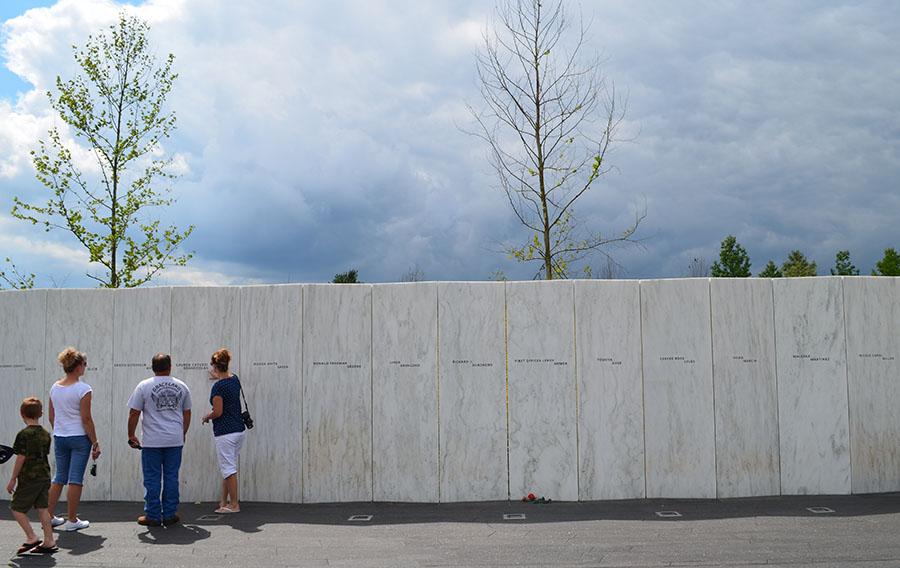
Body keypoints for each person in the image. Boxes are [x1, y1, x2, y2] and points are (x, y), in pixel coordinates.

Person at [127, 353, 191, 527]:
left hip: (151, 440)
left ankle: (153, 515)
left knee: (152, 478)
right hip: (174, 439)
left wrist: (131, 435)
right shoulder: (182, 386)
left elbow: (134, 412)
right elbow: (187, 413)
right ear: (170, 366)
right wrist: (182, 432)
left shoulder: (143, 386)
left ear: (152, 367)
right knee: (171, 477)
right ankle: (170, 514)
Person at [47, 347, 100, 531]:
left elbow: (51, 417)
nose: (85, 367)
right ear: (78, 367)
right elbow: (86, 419)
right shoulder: (84, 389)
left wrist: (60, 430)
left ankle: (49, 517)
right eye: (84, 364)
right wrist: (95, 441)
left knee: (59, 477)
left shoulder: (55, 387)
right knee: (75, 479)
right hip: (79, 438)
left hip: (60, 436)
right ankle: (71, 520)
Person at [6, 397, 58, 554]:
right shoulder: (46, 434)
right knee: (43, 508)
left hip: (29, 477)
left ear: (22, 413)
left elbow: (21, 457)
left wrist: (13, 478)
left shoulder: (23, 435)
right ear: (40, 413)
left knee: (16, 508)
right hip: (44, 476)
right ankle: (49, 541)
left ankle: (31, 537)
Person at [201, 348, 246, 513]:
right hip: (239, 430)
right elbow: (226, 378)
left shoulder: (218, 388)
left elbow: (218, 412)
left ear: (214, 366)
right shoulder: (234, 379)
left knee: (228, 469)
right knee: (229, 468)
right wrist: (218, 374)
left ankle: (234, 504)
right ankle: (223, 502)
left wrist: (207, 416)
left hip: (225, 432)